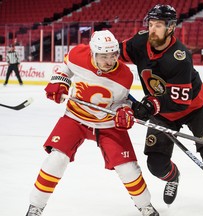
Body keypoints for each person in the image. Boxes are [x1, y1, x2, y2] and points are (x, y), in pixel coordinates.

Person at [119, 4, 203, 216]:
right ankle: (173, 177)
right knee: (156, 165)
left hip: (196, 108)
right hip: (162, 113)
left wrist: (151, 105)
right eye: (150, 24)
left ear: (170, 28)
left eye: (158, 25)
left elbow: (180, 103)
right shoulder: (140, 42)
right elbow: (112, 54)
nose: (152, 29)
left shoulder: (179, 57)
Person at [25, 30, 159, 216]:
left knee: (128, 168)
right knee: (56, 159)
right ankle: (35, 206)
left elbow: (123, 101)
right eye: (103, 56)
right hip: (75, 117)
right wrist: (60, 81)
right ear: (93, 53)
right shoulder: (78, 55)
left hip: (107, 123)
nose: (109, 61)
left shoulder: (125, 75)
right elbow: (66, 68)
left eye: (113, 55)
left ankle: (145, 206)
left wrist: (125, 111)